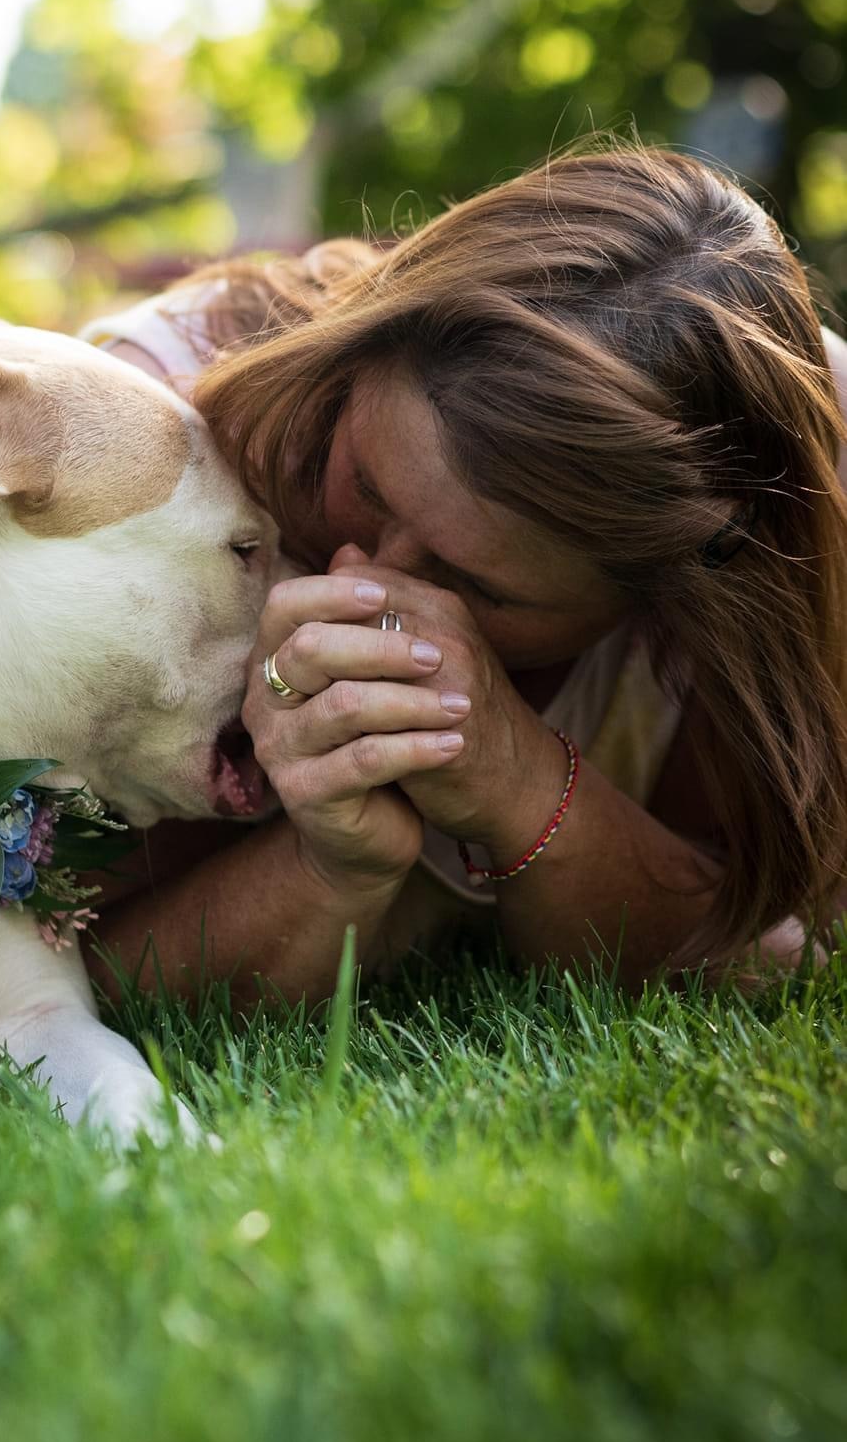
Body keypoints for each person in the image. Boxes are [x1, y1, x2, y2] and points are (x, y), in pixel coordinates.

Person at [78, 144, 847, 1002]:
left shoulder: (779, 535)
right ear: (360, 344)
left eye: (479, 586)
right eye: (364, 483)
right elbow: (45, 961)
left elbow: (779, 950)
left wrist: (521, 784)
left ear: (659, 601)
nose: (362, 574)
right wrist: (332, 865)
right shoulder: (154, 436)